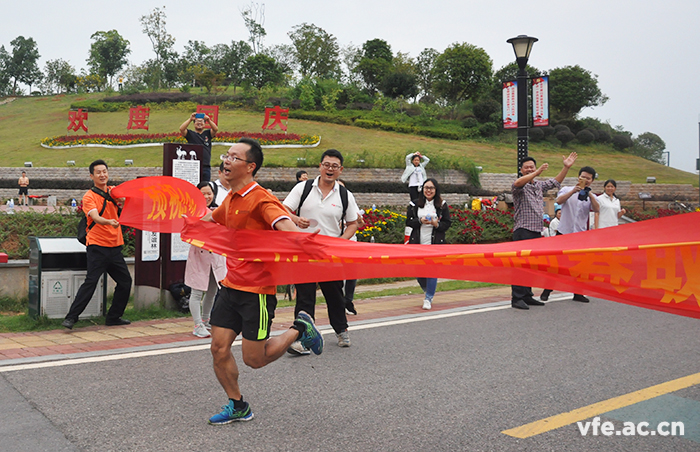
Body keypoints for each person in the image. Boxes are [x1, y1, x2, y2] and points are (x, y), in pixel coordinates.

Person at [203, 138, 323, 425]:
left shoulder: (261, 199)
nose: (226, 161)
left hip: (256, 291)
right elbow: (211, 219)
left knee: (254, 359)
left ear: (250, 166)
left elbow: (284, 226)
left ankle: (299, 329)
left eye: (234, 157)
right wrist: (176, 221)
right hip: (230, 285)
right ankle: (238, 404)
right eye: (226, 156)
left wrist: (297, 236)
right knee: (218, 349)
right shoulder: (231, 197)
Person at [283, 149, 360, 353]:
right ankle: (302, 337)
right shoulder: (303, 188)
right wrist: (296, 220)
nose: (330, 169)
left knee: (334, 294)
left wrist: (340, 243)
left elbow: (353, 223)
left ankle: (341, 329)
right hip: (304, 252)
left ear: (340, 170)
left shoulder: (344, 194)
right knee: (305, 296)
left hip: (330, 254)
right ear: (320, 166)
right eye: (326, 165)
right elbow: (283, 211)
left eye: (334, 166)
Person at [62, 160, 132, 329]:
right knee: (91, 282)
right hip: (97, 246)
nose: (102, 175)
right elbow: (95, 217)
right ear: (92, 176)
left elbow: (130, 199)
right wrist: (109, 222)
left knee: (125, 282)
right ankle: (71, 318)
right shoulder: (89, 197)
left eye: (104, 171)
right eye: (98, 172)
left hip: (115, 246)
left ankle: (114, 317)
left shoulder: (114, 192)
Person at [510, 153, 578, 310]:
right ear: (521, 170)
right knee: (520, 265)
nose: (529, 169)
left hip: (536, 231)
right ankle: (517, 298)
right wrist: (536, 173)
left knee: (531, 266)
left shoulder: (538, 186)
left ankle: (527, 295)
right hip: (523, 230)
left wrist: (566, 167)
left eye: (532, 167)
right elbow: (518, 182)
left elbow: (555, 182)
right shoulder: (519, 187)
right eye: (526, 167)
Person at [540, 165, 600, 303]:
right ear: (578, 177)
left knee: (580, 266)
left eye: (588, 178)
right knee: (557, 264)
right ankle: (547, 290)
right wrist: (574, 190)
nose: (585, 179)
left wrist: (589, 193)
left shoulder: (591, 196)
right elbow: (559, 201)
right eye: (583, 177)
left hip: (580, 235)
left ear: (592, 180)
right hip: (564, 232)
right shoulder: (567, 189)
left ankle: (578, 293)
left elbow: (597, 209)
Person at [184, 181, 226, 338]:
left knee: (213, 290)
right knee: (197, 292)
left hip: (215, 256)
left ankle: (206, 320)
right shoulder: (192, 212)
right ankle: (197, 324)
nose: (207, 196)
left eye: (210, 193)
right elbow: (190, 233)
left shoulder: (218, 210)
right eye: (203, 193)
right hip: (199, 257)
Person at [406, 178, 452, 310]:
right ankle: (427, 290)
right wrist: (420, 221)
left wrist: (436, 224)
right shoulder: (415, 204)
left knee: (432, 271)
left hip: (434, 244)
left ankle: (428, 298)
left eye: (431, 188)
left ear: (436, 190)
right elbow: (409, 222)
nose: (428, 190)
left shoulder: (442, 205)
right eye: (426, 187)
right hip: (418, 244)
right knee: (418, 271)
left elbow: (447, 224)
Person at [337, 179, 364, 316]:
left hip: (351, 243)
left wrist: (358, 221)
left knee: (351, 274)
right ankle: (339, 302)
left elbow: (359, 224)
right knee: (338, 276)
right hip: (336, 244)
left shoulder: (349, 201)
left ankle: (348, 300)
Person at [179, 112, 219, 181]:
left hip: (206, 166)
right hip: (194, 166)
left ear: (204, 124)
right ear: (194, 124)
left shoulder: (208, 133)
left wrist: (208, 120)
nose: (199, 123)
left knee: (205, 186)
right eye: (197, 121)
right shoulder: (190, 134)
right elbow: (182, 129)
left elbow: (215, 129)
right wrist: (190, 119)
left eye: (202, 122)